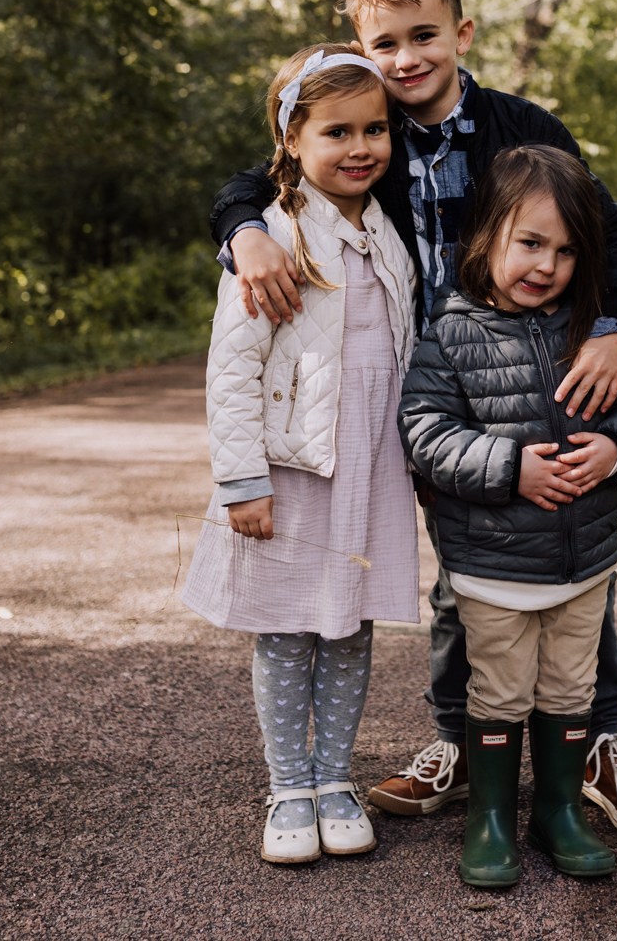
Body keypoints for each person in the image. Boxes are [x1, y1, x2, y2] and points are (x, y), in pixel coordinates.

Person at [208, 0, 617, 841]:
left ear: (461, 32)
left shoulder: (519, 127)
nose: (406, 57)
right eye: (384, 41)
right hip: (431, 390)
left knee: (575, 558)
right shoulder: (365, 134)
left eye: (424, 34)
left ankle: (598, 743)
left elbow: (605, 227)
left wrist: (615, 327)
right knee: (465, 571)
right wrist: (244, 232)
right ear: (360, 46)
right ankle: (464, 739)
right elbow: (262, 175)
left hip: (534, 371)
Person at [182, 43, 420, 865]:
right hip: (289, 471)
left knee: (349, 627)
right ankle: (288, 786)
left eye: (376, 129)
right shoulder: (274, 237)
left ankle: (334, 779)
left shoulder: (388, 230)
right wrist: (241, 480)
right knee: (286, 629)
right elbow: (234, 367)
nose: (361, 148)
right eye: (338, 132)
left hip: (370, 467)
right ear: (293, 142)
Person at [398, 145, 617, 886]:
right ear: (488, 237)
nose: (546, 265)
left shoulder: (594, 329)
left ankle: (557, 810)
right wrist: (511, 466)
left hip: (583, 560)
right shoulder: (452, 332)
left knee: (571, 690)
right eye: (531, 243)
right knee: (501, 691)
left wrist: (615, 449)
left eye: (568, 250)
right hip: (493, 565)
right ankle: (488, 820)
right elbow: (424, 431)